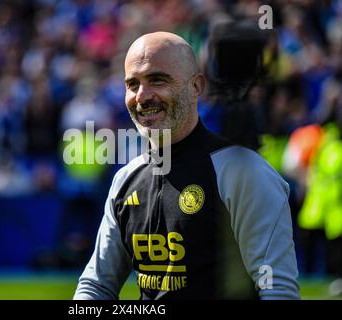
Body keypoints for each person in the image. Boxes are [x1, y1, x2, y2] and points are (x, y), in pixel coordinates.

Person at [74, 32, 300, 300]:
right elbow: (96, 286)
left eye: (158, 79)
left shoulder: (243, 172)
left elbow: (278, 291)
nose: (142, 96)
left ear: (196, 87)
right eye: (132, 84)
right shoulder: (125, 179)